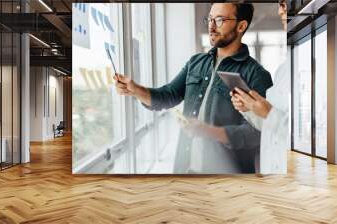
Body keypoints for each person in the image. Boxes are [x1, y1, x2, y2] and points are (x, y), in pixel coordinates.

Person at [114, 3, 273, 173]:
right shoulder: (196, 62)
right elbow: (168, 95)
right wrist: (134, 89)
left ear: (241, 26)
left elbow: (259, 132)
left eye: (219, 20)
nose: (211, 26)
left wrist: (209, 131)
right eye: (210, 19)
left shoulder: (257, 74)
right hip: (186, 170)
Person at [230, 0, 289, 174]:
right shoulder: (283, 70)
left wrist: (268, 113)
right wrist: (248, 109)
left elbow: (306, 135)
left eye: (284, 5)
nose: (280, 11)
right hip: (271, 167)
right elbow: (267, 122)